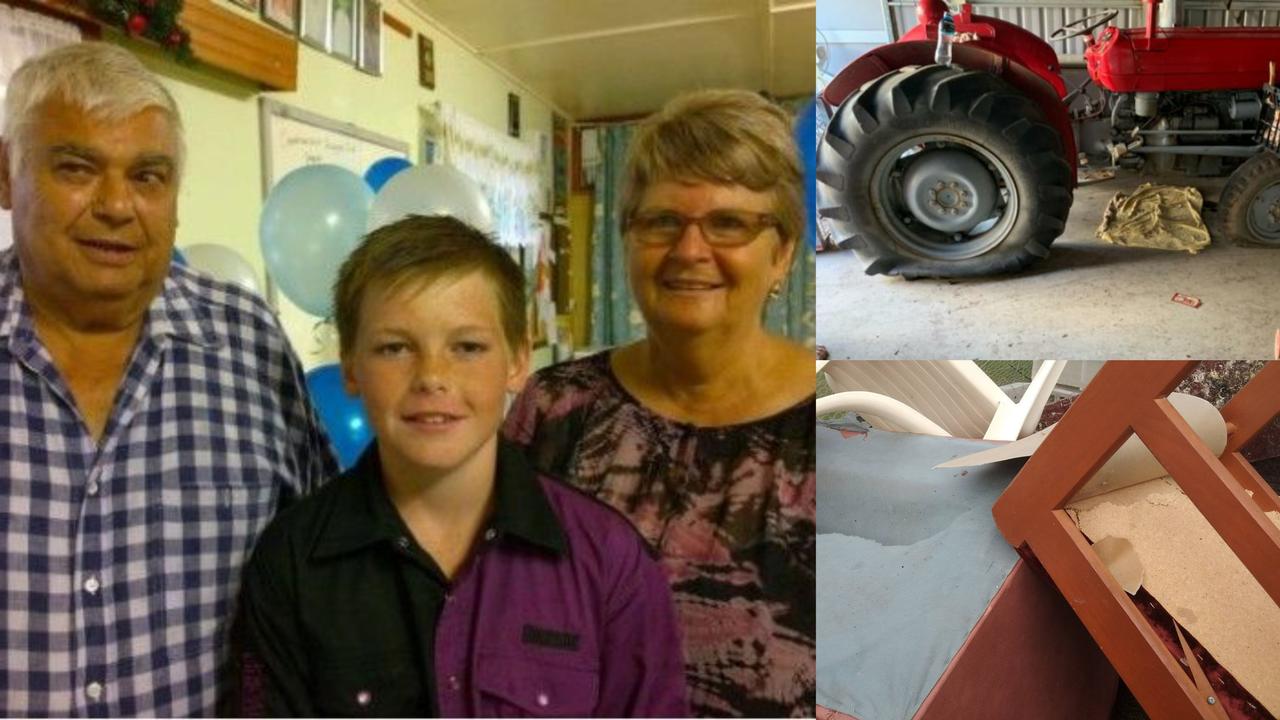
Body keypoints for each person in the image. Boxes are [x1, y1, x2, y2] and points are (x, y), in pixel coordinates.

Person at [237, 215, 689, 717]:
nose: (432, 376)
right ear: (350, 367)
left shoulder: (608, 560)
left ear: (518, 361)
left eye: (468, 347)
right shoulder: (292, 562)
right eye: (394, 347)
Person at [0, 42, 337, 715]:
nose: (118, 205)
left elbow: (324, 561)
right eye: (77, 168)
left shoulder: (248, 346)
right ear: (6, 176)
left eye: (149, 176)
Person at [503, 89, 816, 717]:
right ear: (628, 239)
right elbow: (497, 602)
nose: (690, 251)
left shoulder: (834, 419)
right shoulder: (556, 406)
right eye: (661, 221)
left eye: (728, 222)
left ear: (781, 252)